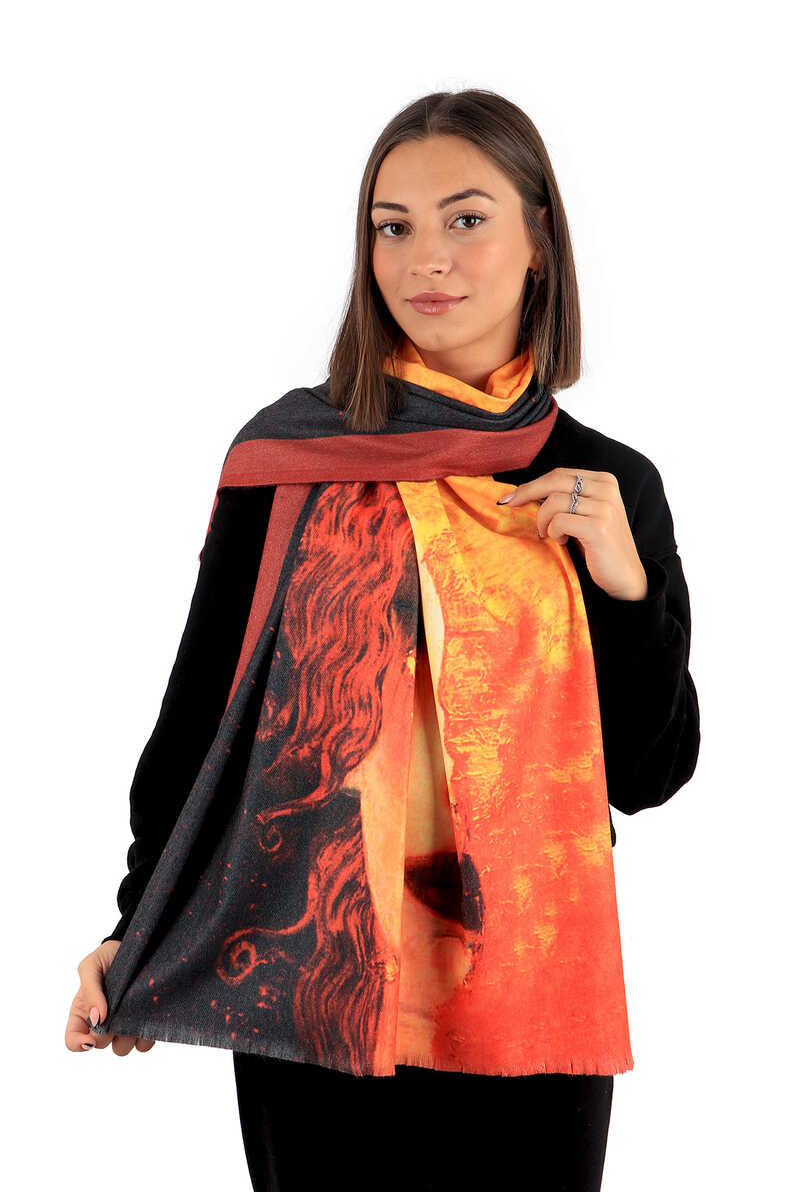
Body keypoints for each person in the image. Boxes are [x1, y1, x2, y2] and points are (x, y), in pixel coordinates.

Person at [65, 89, 700, 1192]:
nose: (424, 259)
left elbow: (649, 775)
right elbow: (204, 713)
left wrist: (625, 586)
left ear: (540, 242)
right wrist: (136, 925)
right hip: (310, 973)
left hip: (529, 988)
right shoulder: (289, 459)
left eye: (466, 219)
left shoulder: (604, 484)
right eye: (392, 226)